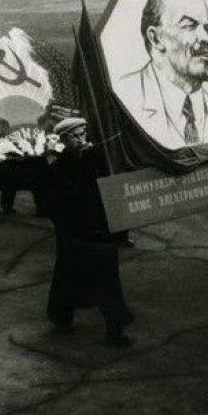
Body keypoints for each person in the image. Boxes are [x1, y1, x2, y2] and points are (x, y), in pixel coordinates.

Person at [45, 117, 134, 347]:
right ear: (64, 139)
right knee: (68, 273)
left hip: (97, 228)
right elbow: (58, 200)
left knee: (106, 277)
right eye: (75, 136)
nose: (81, 139)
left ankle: (115, 328)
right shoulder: (59, 166)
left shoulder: (95, 157)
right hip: (74, 230)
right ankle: (61, 317)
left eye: (83, 134)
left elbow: (108, 186)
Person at [117, 0, 208, 149]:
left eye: (207, 28)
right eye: (189, 25)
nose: (207, 38)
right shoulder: (124, 98)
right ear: (155, 38)